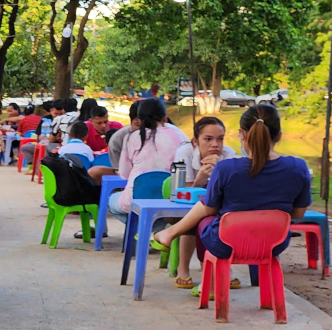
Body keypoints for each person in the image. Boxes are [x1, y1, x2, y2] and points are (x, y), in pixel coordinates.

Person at [155, 104, 310, 283]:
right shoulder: (298, 167)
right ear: (279, 135)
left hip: (226, 243)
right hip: (275, 244)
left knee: (206, 217)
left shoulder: (226, 168)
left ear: (242, 135)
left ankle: (206, 274)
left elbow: (209, 207)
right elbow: (298, 214)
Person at [167, 115, 239, 288]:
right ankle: (183, 268)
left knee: (224, 218)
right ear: (195, 141)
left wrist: (218, 173)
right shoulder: (184, 153)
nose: (215, 144)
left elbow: (233, 192)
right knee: (194, 218)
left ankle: (221, 268)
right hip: (184, 206)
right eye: (208, 139)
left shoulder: (228, 154)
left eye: (220, 139)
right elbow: (183, 192)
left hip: (217, 207)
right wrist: (200, 179)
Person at [110, 96, 185, 213]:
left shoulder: (131, 137)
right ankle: (152, 227)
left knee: (111, 201)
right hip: (169, 200)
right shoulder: (178, 136)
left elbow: (124, 174)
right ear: (165, 118)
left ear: (139, 121)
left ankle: (138, 228)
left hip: (134, 200)